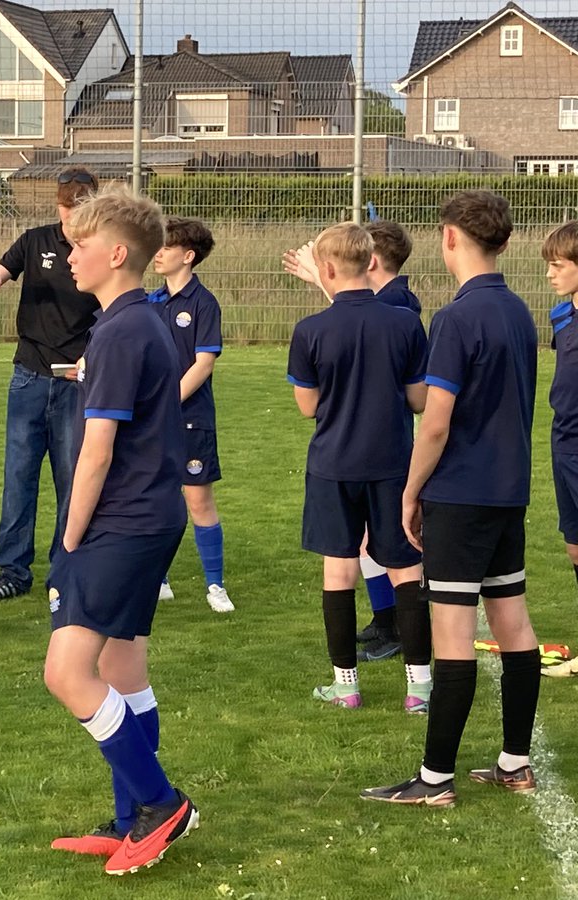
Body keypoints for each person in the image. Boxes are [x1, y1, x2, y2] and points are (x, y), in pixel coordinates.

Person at [363, 191, 540, 806]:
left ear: (448, 239)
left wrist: (411, 492)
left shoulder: (457, 317)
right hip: (508, 491)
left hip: (461, 496)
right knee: (514, 624)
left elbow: (435, 423)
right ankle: (515, 762)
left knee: (454, 636)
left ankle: (435, 779)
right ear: (506, 242)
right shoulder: (520, 310)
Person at [43, 186, 197, 876]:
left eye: (78, 245)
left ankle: (163, 806)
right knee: (121, 669)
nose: (69, 256)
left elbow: (97, 450)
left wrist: (71, 536)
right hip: (152, 516)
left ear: (115, 254)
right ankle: (133, 816)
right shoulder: (140, 322)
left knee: (67, 672)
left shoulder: (120, 330)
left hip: (122, 523)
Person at [286, 223, 430, 712]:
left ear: (325, 269)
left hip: (333, 463)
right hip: (393, 462)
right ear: (371, 263)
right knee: (407, 568)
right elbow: (418, 399)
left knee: (339, 571)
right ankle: (419, 688)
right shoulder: (405, 324)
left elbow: (307, 407)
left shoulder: (310, 330)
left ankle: (346, 686)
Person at [0, 166, 101, 601]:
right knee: (19, 476)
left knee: (71, 477)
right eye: (66, 210)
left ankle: (65, 567)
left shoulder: (99, 252)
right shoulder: (34, 241)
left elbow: (114, 307)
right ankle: (13, 571)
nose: (70, 220)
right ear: (58, 206)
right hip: (27, 376)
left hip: (74, 382)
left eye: (79, 211)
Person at [149, 217, 233, 612]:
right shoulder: (150, 302)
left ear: (188, 256)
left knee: (197, 500)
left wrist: (167, 402)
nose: (158, 253)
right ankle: (158, 579)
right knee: (155, 499)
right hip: (151, 422)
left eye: (166, 247)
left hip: (190, 418)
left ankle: (215, 586)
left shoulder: (204, 304)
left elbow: (203, 364)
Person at [543, 222, 578, 679]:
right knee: (574, 546)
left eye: (559, 265)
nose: (551, 274)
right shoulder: (560, 315)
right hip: (562, 441)